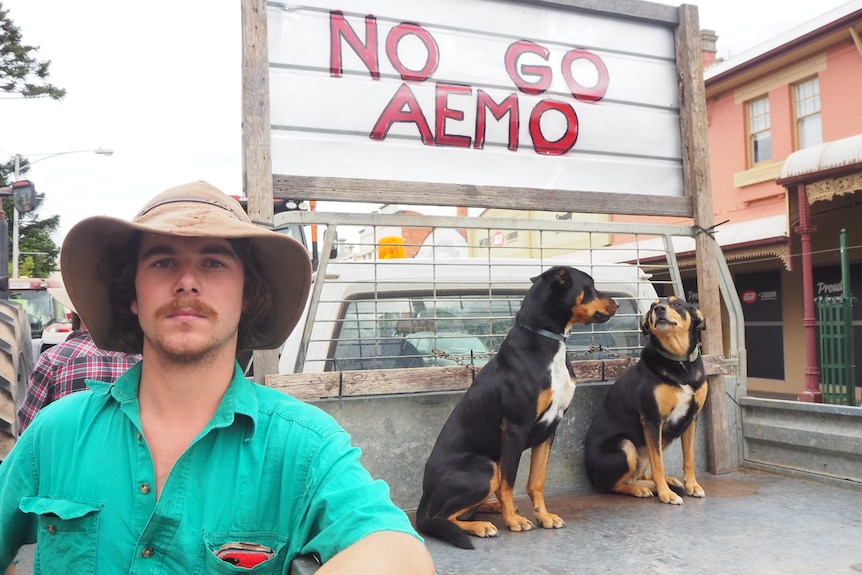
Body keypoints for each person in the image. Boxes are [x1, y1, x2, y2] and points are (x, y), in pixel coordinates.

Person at [0, 182, 436, 574]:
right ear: (132, 294)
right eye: (163, 261)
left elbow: (397, 549)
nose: (187, 282)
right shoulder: (55, 434)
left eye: (213, 262)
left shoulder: (305, 445)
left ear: (247, 295)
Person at [16, 287, 142, 435]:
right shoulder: (141, 359)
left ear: (76, 314)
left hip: (66, 454)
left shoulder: (53, 359)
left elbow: (28, 429)